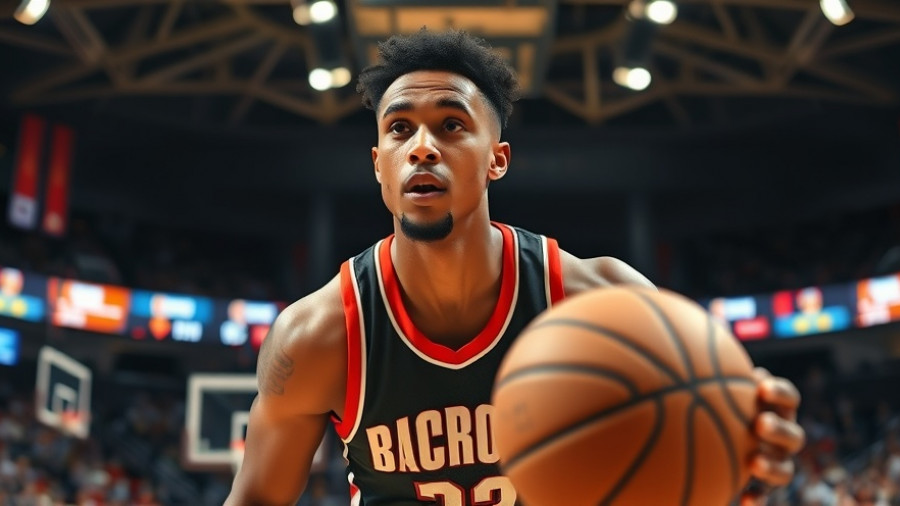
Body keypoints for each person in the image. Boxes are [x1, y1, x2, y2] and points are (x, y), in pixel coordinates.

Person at [225, 29, 805, 506]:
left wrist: (738, 449)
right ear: (379, 165)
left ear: (496, 158)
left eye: (452, 125)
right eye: (400, 128)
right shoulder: (318, 335)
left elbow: (707, 438)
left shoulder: (597, 298)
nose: (422, 146)